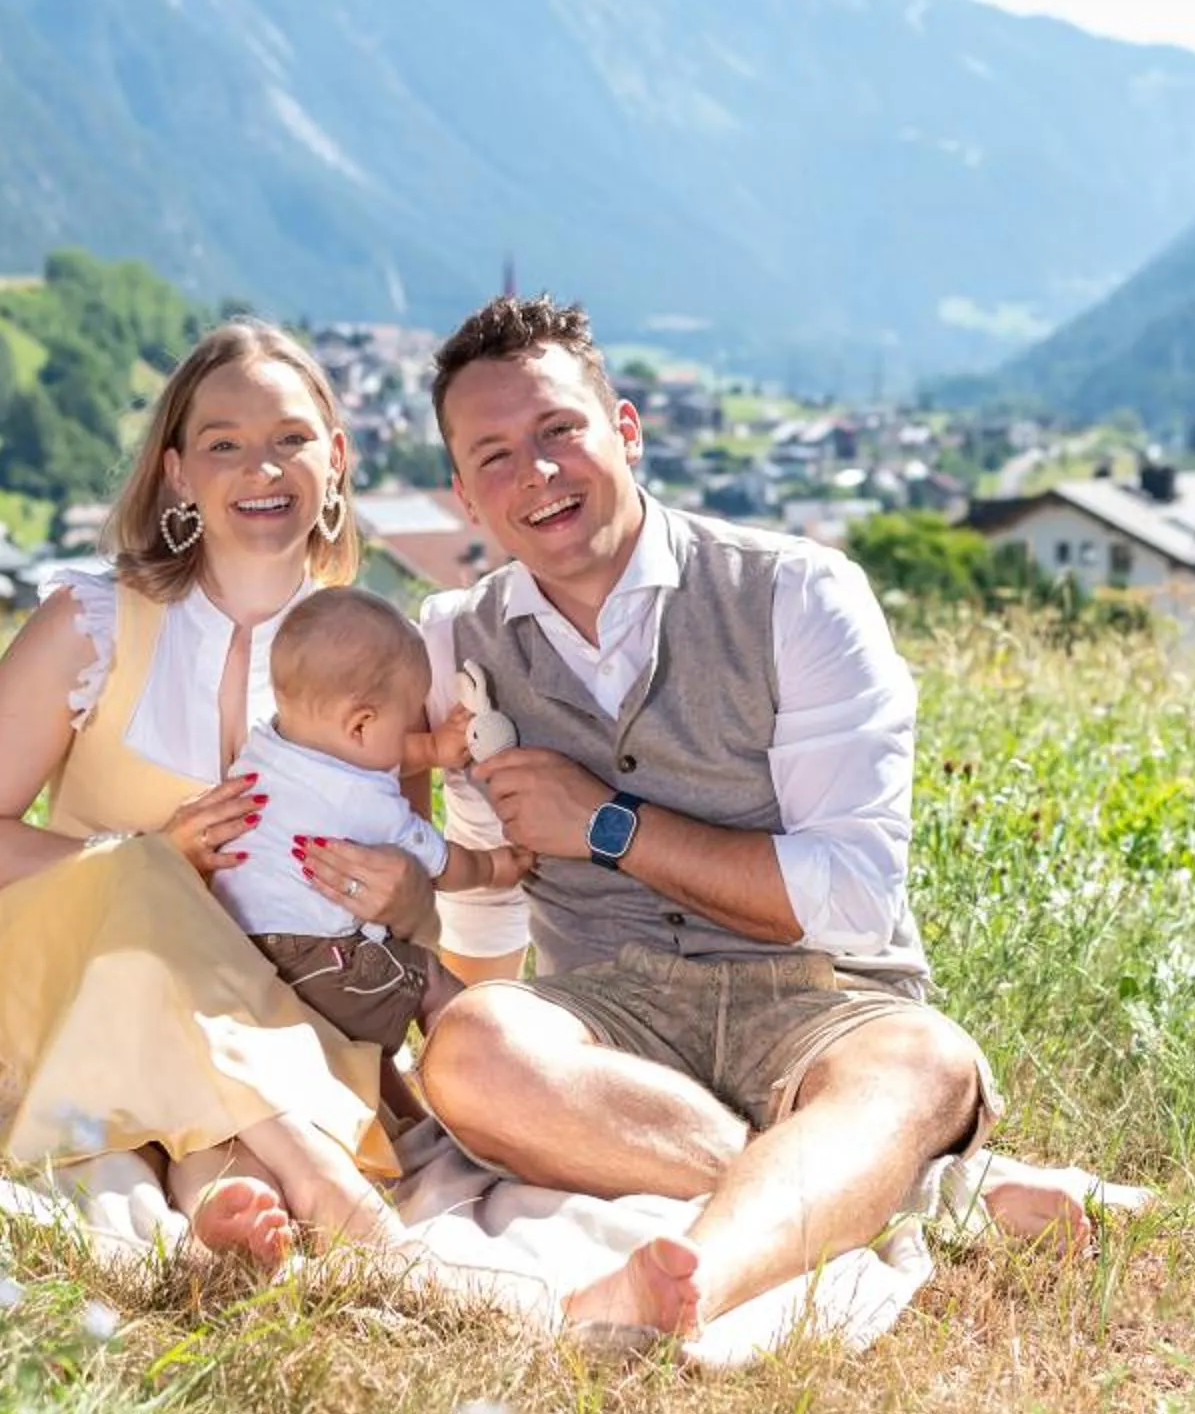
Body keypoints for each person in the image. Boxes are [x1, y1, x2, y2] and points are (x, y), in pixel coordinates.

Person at [408, 296, 1141, 1340]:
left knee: (923, 1063)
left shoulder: (798, 593)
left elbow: (850, 899)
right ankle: (914, 1192)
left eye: (559, 430)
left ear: (625, 429)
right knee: (472, 1047)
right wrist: (483, 1085)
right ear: (464, 496)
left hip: (822, 1003)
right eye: (495, 456)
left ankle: (694, 1277)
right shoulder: (452, 640)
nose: (537, 474)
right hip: (615, 1021)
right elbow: (486, 911)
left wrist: (609, 825)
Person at [0, 321, 444, 1269]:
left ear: (335, 461)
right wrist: (152, 863)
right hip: (63, 981)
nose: (262, 467)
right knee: (142, 886)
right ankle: (329, 1193)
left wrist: (410, 899)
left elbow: (409, 895)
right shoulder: (90, 624)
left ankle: (227, 1207)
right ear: (177, 472)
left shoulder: (381, 663)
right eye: (224, 444)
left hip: (270, 1011)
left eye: (291, 439)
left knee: (208, 1022)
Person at [214, 588, 534, 1102]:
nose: (410, 728)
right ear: (362, 723)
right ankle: (500, 1082)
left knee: (373, 1007)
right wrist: (499, 865)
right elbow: (444, 864)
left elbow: (358, 754)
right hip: (317, 960)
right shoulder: (369, 806)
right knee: (428, 981)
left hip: (241, 954)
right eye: (406, 716)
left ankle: (403, 1117)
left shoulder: (268, 748)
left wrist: (431, 748)